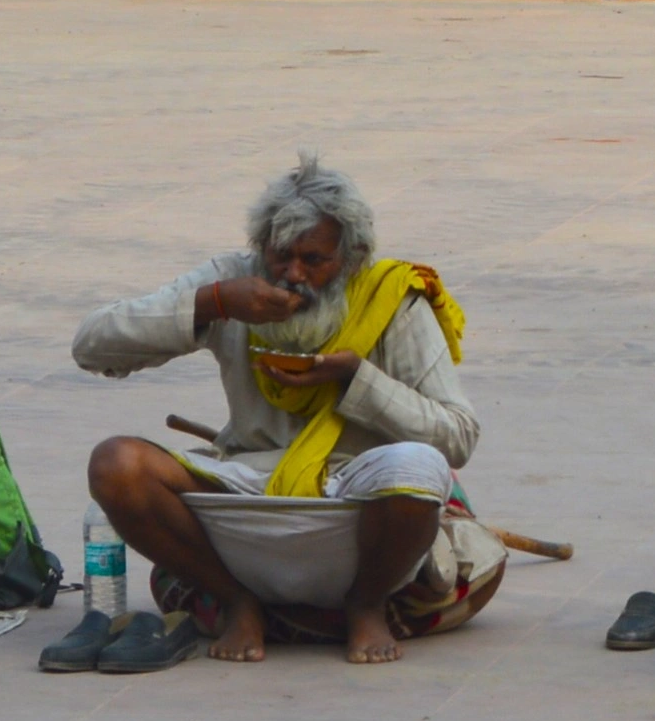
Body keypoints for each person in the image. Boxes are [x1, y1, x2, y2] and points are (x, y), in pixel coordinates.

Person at [64, 152, 504, 670]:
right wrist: (213, 303)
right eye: (279, 256)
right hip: (250, 494)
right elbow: (91, 345)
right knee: (117, 465)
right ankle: (235, 599)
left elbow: (457, 437)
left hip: (358, 497)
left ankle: (366, 603)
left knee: (419, 467)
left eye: (314, 260)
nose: (293, 275)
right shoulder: (234, 282)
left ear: (352, 257)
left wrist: (355, 381)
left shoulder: (394, 298)